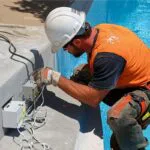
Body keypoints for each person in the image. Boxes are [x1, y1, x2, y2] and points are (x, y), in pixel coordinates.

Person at [33, 7, 150, 150]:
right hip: (133, 77)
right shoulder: (101, 30)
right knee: (79, 75)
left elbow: (93, 99)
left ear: (76, 42)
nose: (66, 51)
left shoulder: (107, 57)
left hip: (146, 89)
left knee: (119, 118)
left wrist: (54, 77)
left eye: (64, 47)